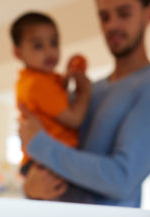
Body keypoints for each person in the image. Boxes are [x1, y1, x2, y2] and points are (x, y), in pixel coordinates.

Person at [19, 0, 150, 207]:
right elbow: (52, 164)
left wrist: (39, 145)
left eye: (124, 14)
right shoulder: (87, 92)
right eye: (104, 17)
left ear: (147, 14)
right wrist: (30, 188)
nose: (112, 25)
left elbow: (121, 179)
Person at [9, 11, 92, 175]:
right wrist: (84, 92)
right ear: (18, 53)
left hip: (40, 159)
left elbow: (54, 104)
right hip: (46, 163)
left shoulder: (35, 80)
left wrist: (66, 82)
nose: (49, 51)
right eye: (38, 45)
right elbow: (74, 119)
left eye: (54, 43)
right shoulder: (37, 85)